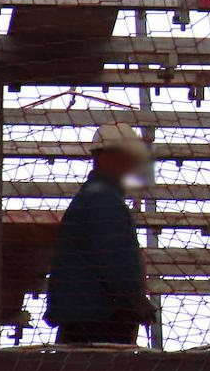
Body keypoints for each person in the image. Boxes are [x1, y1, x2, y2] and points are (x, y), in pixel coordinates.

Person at [45, 122, 155, 345]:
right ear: (105, 158)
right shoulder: (104, 201)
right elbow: (114, 258)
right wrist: (135, 301)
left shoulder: (94, 196)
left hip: (84, 320)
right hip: (100, 323)